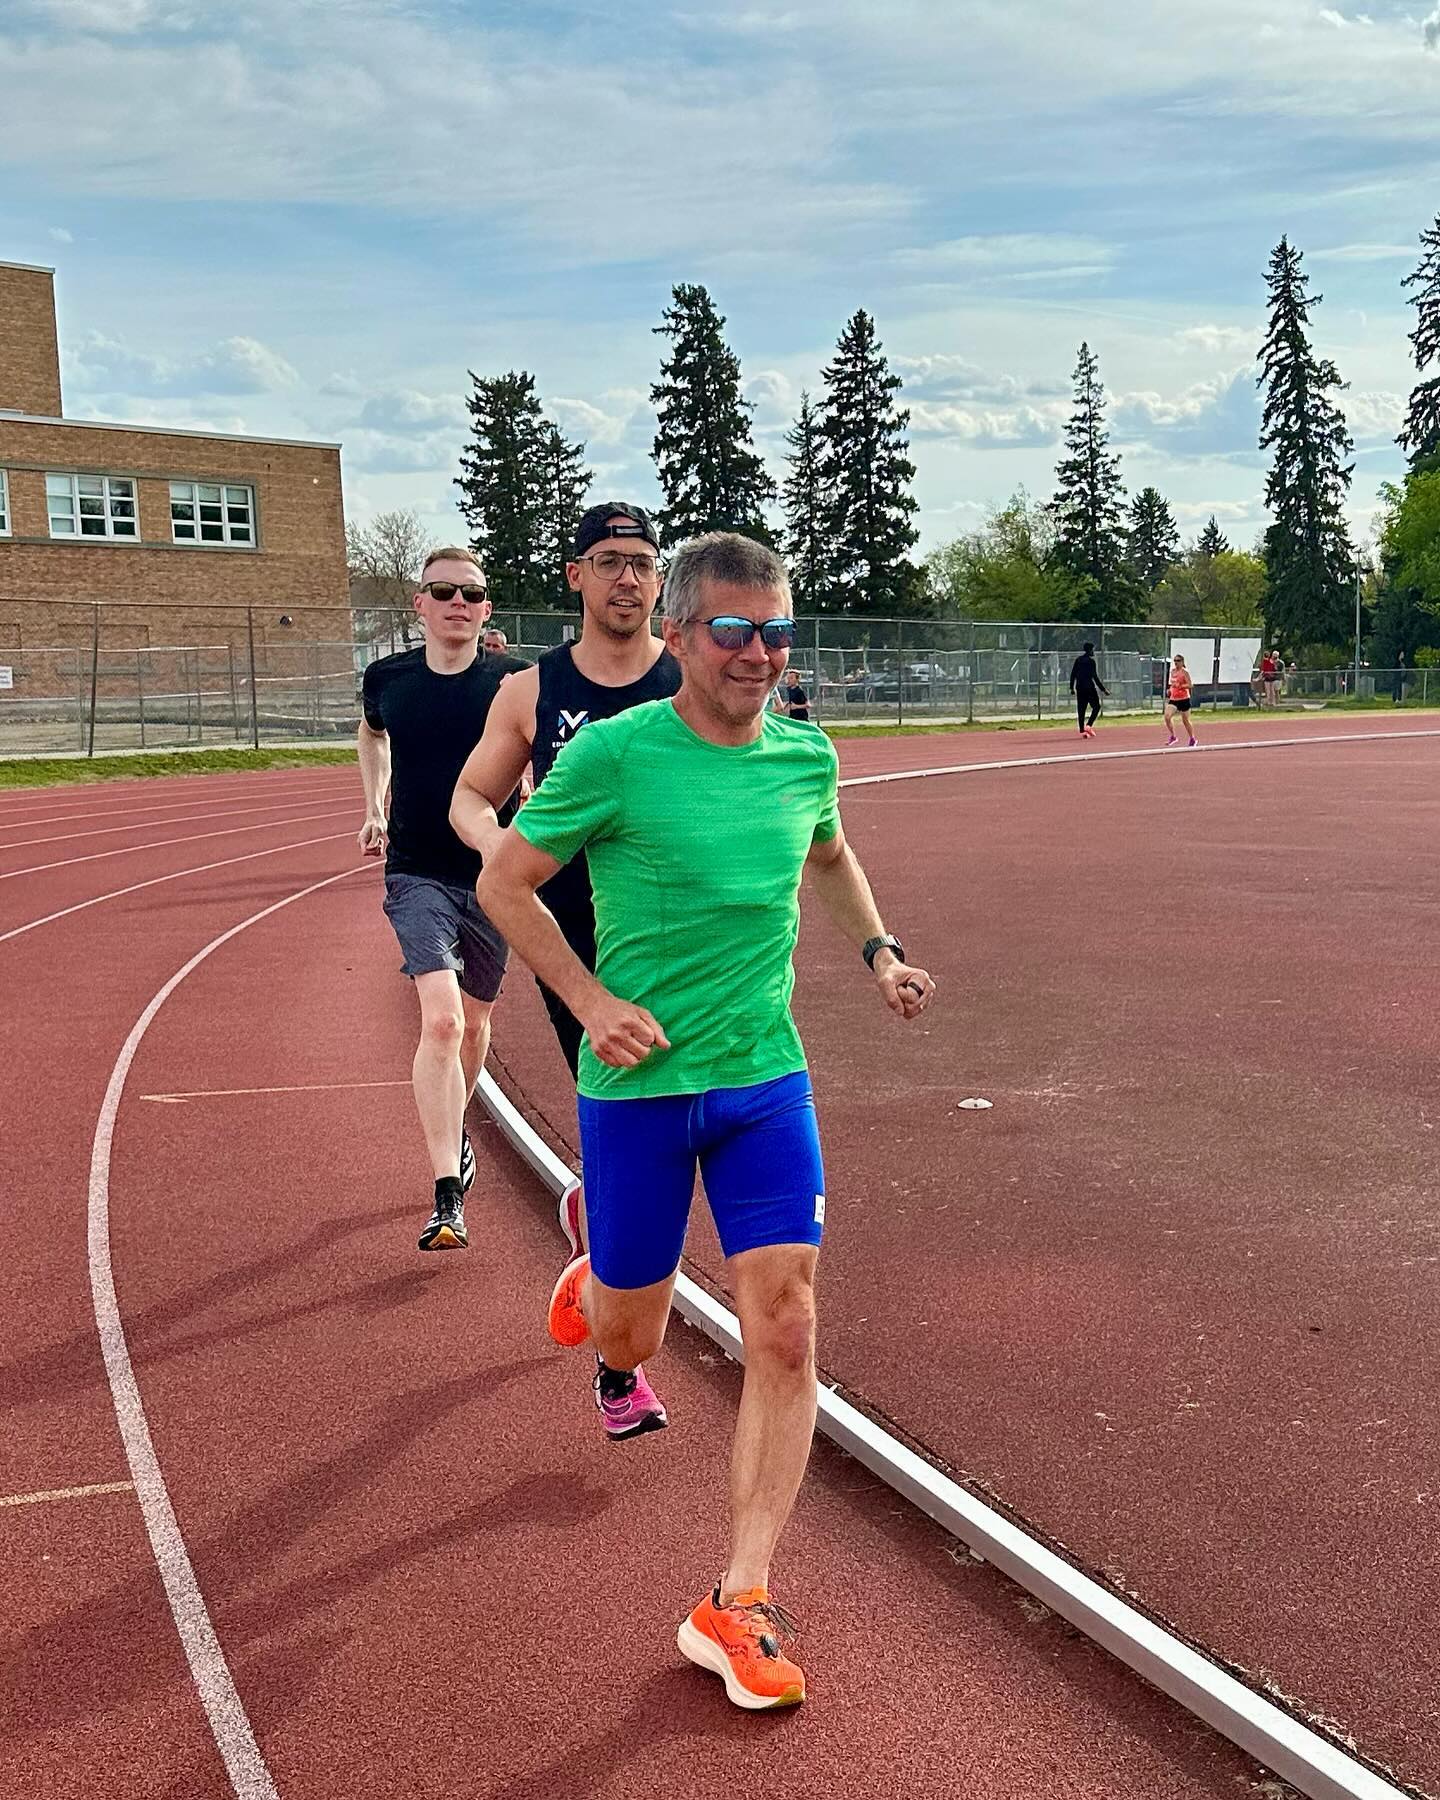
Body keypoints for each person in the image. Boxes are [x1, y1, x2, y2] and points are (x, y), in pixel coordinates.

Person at [476, 531, 936, 1710]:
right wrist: (586, 1002)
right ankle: (602, 1287)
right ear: (677, 635)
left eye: (777, 631)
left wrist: (878, 950)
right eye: (732, 631)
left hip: (763, 1081)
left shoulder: (805, 756)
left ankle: (738, 1600)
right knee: (630, 1335)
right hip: (637, 1092)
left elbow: (829, 856)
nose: (758, 655)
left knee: (783, 1327)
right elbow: (501, 884)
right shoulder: (617, 756)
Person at [450, 502, 681, 1442]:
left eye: (642, 562)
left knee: (678, 1130)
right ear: (577, 576)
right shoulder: (529, 692)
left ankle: (600, 1213)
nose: (628, 578)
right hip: (575, 943)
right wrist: (504, 845)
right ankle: (617, 1369)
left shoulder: (688, 673)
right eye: (609, 562)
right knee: (639, 1122)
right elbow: (470, 794)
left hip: (684, 943)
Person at [359, 547, 515, 1253]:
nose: (458, 602)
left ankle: (457, 1139)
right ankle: (446, 1194)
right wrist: (372, 805)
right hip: (417, 872)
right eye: (443, 591)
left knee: (475, 1029)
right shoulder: (387, 679)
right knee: (444, 1024)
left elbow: (544, 753)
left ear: (486, 609)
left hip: (493, 875)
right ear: (418, 603)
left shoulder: (514, 681)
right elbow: (372, 733)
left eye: (472, 593)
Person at [1068, 641, 1108, 737]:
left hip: (1080, 687)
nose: (1093, 652)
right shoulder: (1091, 662)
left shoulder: (1078, 660)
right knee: (1096, 707)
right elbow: (1095, 677)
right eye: (1093, 650)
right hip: (1089, 688)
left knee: (1081, 709)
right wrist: (1103, 689)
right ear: (1089, 650)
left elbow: (1073, 674)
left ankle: (1083, 730)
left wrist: (1071, 687)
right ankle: (1089, 725)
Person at [1164, 653, 1197, 746]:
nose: (1176, 663)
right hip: (1174, 699)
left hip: (1184, 699)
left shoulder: (1185, 672)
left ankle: (1192, 738)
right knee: (1167, 716)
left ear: (1182, 662)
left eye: (1178, 661)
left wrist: (1181, 686)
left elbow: (1190, 685)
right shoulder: (1173, 671)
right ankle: (1173, 736)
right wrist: (1169, 690)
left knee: (1185, 720)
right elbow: (1172, 684)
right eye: (1174, 661)